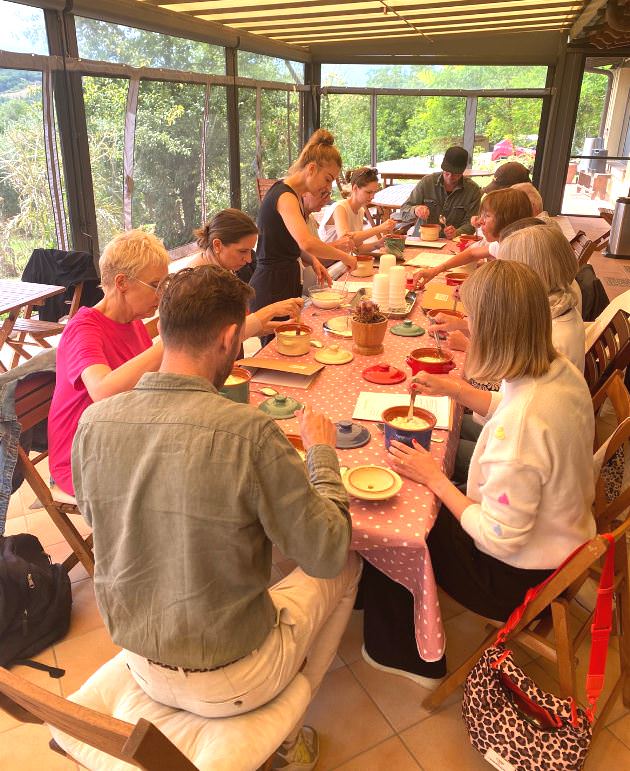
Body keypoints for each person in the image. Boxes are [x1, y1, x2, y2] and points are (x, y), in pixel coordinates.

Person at [72, 265, 361, 771]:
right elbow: (326, 550)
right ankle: (288, 736)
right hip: (236, 678)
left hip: (141, 660)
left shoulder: (93, 424)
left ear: (161, 330)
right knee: (348, 563)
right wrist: (321, 456)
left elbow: (107, 519)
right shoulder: (250, 433)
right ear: (231, 337)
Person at [360, 260, 595, 685]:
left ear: (494, 331)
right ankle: (376, 596)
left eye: (472, 321)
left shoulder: (523, 427)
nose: (466, 329)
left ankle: (404, 653)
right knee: (430, 489)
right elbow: (510, 412)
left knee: (399, 513)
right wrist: (459, 391)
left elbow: (498, 536)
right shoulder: (557, 370)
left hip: (514, 575)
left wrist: (434, 479)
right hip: (564, 539)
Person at [48, 229, 169, 496]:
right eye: (156, 285)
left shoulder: (132, 320)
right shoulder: (84, 328)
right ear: (122, 282)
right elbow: (102, 390)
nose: (161, 294)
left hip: (121, 437)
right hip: (84, 457)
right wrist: (170, 343)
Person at [250, 129, 356, 323]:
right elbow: (306, 241)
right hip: (271, 286)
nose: (328, 187)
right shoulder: (285, 195)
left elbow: (290, 244)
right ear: (312, 168)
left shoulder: (295, 195)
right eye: (327, 179)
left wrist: (313, 261)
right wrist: (345, 256)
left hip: (285, 280)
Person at [192, 208, 304, 339]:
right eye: (242, 251)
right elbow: (219, 337)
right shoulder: (196, 279)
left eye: (250, 251)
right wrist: (272, 310)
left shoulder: (220, 268)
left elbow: (238, 327)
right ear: (217, 245)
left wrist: (282, 326)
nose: (249, 259)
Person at [500, 225, 585, 372]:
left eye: (506, 272)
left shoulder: (551, 342)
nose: (501, 279)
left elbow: (517, 392)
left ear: (532, 274)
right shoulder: (558, 302)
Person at [413, 187, 533, 287]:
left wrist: (467, 291)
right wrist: (435, 270)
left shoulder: (515, 254)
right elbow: (472, 253)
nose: (480, 221)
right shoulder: (505, 243)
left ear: (506, 220)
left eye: (486, 216)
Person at [399, 146, 481, 238]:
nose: (450, 177)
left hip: (453, 241)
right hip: (423, 239)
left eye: (456, 175)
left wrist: (457, 232)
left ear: (462, 172)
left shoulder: (473, 190)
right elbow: (403, 212)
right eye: (447, 173)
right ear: (442, 168)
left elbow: (472, 222)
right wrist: (415, 210)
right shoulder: (427, 182)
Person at [318, 167, 395, 252]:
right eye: (368, 192)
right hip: (328, 263)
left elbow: (357, 248)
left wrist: (377, 244)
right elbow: (345, 239)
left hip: (342, 261)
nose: (372, 197)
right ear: (355, 188)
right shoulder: (340, 208)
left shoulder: (360, 211)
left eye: (374, 192)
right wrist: (380, 228)